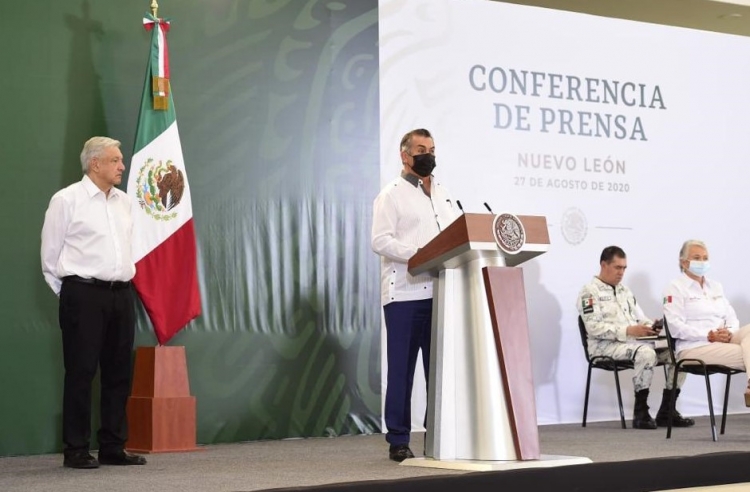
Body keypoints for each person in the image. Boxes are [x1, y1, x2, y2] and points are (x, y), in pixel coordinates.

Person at [41, 137, 147, 469]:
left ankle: (113, 445)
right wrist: (74, 295)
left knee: (119, 373)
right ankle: (75, 449)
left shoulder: (125, 202)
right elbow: (50, 258)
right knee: (81, 372)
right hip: (83, 295)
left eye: (121, 160)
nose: (122, 165)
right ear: (95, 164)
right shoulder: (66, 200)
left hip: (121, 294)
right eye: (115, 160)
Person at [371, 128, 458, 462]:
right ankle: (398, 439)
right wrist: (419, 253)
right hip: (405, 295)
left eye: (432, 148)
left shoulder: (444, 194)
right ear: (404, 155)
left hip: (441, 293)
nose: (428, 155)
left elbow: (454, 235)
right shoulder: (390, 195)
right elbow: (380, 240)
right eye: (421, 149)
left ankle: (439, 435)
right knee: (402, 371)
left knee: (439, 371)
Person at [577, 246, 694, 429]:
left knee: (679, 354)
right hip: (603, 347)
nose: (621, 272)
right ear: (603, 265)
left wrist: (651, 327)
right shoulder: (589, 292)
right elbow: (593, 328)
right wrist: (629, 330)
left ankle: (667, 410)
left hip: (632, 344)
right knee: (646, 353)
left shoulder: (625, 291)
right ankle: (640, 412)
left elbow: (641, 318)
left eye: (624, 268)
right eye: (617, 267)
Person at [663, 239, 750, 406]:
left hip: (723, 340)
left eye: (705, 258)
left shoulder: (715, 286)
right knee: (746, 353)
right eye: (697, 257)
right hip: (693, 347)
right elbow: (675, 327)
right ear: (683, 262)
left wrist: (729, 332)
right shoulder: (675, 288)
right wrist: (708, 335)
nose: (702, 262)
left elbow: (731, 316)